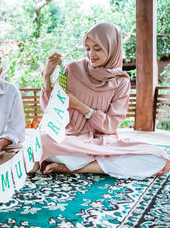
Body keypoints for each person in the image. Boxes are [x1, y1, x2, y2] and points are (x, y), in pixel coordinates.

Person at [38, 22, 170, 179]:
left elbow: (111, 124)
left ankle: (73, 168)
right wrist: (47, 77)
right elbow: (51, 110)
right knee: (43, 140)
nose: (91, 54)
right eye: (87, 48)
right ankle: (91, 164)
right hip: (72, 141)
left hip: (103, 142)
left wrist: (80, 106)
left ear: (111, 47)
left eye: (98, 48)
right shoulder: (72, 69)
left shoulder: (121, 81)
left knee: (157, 158)